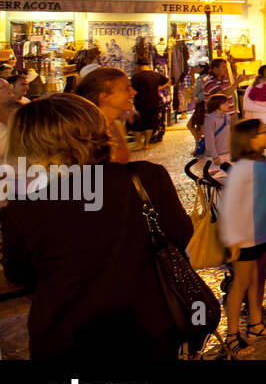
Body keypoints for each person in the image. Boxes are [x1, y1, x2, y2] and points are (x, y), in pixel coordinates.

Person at [0, 94, 192, 359]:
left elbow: (20, 274)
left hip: (66, 336)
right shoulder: (146, 177)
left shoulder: (24, 205)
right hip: (149, 326)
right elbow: (179, 234)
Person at [219, 118, 266, 356]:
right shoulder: (241, 168)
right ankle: (231, 334)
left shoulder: (264, 162)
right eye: (262, 132)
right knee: (240, 284)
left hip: (263, 233)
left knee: (258, 279)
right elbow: (229, 205)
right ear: (249, 139)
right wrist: (232, 241)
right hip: (245, 236)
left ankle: (256, 325)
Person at [73, 67, 134, 164]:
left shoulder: (115, 125)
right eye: (127, 88)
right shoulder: (86, 135)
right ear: (104, 97)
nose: (133, 92)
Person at [130, 61, 171, 147]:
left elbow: (132, 90)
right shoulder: (155, 75)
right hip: (153, 102)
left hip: (140, 103)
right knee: (150, 123)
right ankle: (146, 144)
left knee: (137, 125)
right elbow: (168, 81)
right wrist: (158, 89)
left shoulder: (136, 76)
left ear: (138, 65)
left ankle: (138, 144)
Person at [202, 92, 235, 168]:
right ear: (217, 105)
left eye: (227, 103)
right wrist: (214, 156)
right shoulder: (210, 119)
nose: (228, 105)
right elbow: (209, 139)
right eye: (225, 104)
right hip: (216, 156)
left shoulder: (227, 117)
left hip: (227, 153)